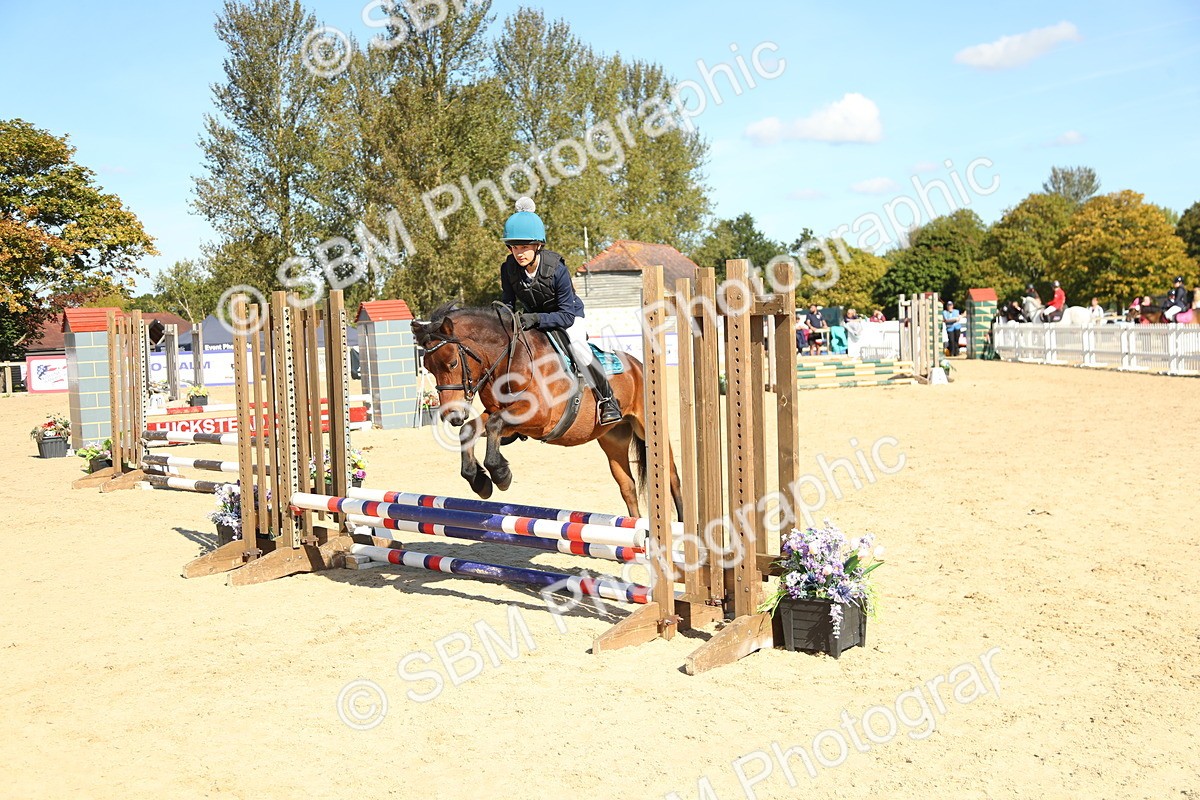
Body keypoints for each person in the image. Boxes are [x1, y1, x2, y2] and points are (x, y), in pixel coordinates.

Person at [499, 197, 622, 425]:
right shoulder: (508, 268)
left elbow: (565, 315)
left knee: (579, 348)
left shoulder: (557, 270)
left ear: (538, 246)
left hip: (568, 316)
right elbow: (508, 302)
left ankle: (607, 400)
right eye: (514, 247)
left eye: (524, 247)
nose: (519, 253)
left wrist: (535, 318)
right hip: (533, 319)